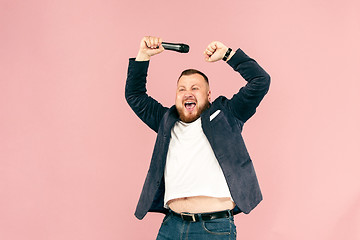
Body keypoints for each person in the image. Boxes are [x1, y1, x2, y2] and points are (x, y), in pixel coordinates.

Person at [125, 36, 270, 239]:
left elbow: (261, 81)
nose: (187, 93)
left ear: (209, 94)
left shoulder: (228, 115)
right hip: (171, 226)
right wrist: (143, 56)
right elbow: (135, 95)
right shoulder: (166, 121)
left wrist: (228, 55)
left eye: (195, 88)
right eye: (182, 89)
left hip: (213, 228)